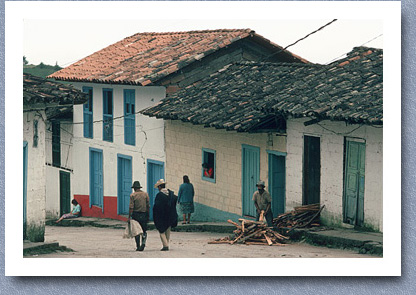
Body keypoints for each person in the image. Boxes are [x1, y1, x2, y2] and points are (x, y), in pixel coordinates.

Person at [153, 179, 175, 251]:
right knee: (168, 230)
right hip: (170, 215)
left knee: (161, 230)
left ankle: (165, 245)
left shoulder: (159, 195)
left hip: (162, 216)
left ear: (159, 187)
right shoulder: (171, 194)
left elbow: (157, 207)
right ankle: (167, 243)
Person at [128, 181, 150, 251]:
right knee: (144, 230)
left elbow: (131, 207)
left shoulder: (133, 195)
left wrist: (129, 217)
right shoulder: (145, 194)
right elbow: (148, 206)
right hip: (144, 214)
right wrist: (148, 215)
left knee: (136, 231)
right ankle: (143, 243)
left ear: (134, 188)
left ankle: (138, 246)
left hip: (136, 214)